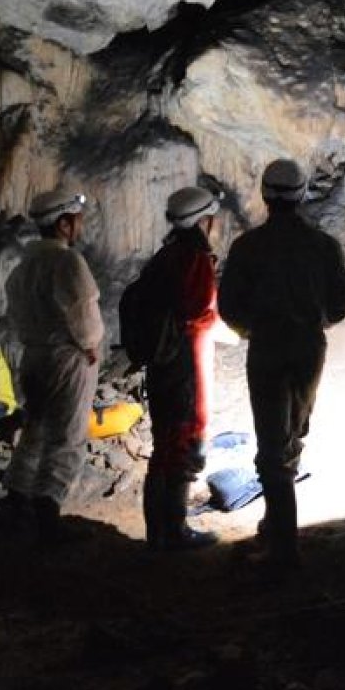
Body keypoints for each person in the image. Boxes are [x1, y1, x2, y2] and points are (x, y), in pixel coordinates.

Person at [217, 159, 345, 571]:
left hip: (268, 347)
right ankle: (276, 524)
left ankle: (283, 547)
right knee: (294, 429)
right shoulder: (323, 246)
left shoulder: (247, 248)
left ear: (265, 195)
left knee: (272, 443)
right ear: (301, 194)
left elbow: (228, 307)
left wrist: (251, 328)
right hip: (309, 345)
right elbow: (342, 304)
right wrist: (317, 320)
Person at [2, 187, 103, 545]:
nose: (80, 225)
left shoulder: (24, 266)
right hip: (66, 358)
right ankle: (47, 518)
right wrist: (90, 346)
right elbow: (82, 311)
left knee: (35, 431)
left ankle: (16, 502)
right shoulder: (67, 262)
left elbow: (17, 314)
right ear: (63, 223)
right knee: (66, 438)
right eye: (77, 219)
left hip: (33, 356)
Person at [139, 186, 222, 551]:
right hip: (184, 360)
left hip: (161, 360)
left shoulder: (165, 255)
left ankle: (157, 533)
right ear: (204, 220)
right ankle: (173, 531)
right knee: (180, 441)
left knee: (163, 444)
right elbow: (199, 312)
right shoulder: (194, 257)